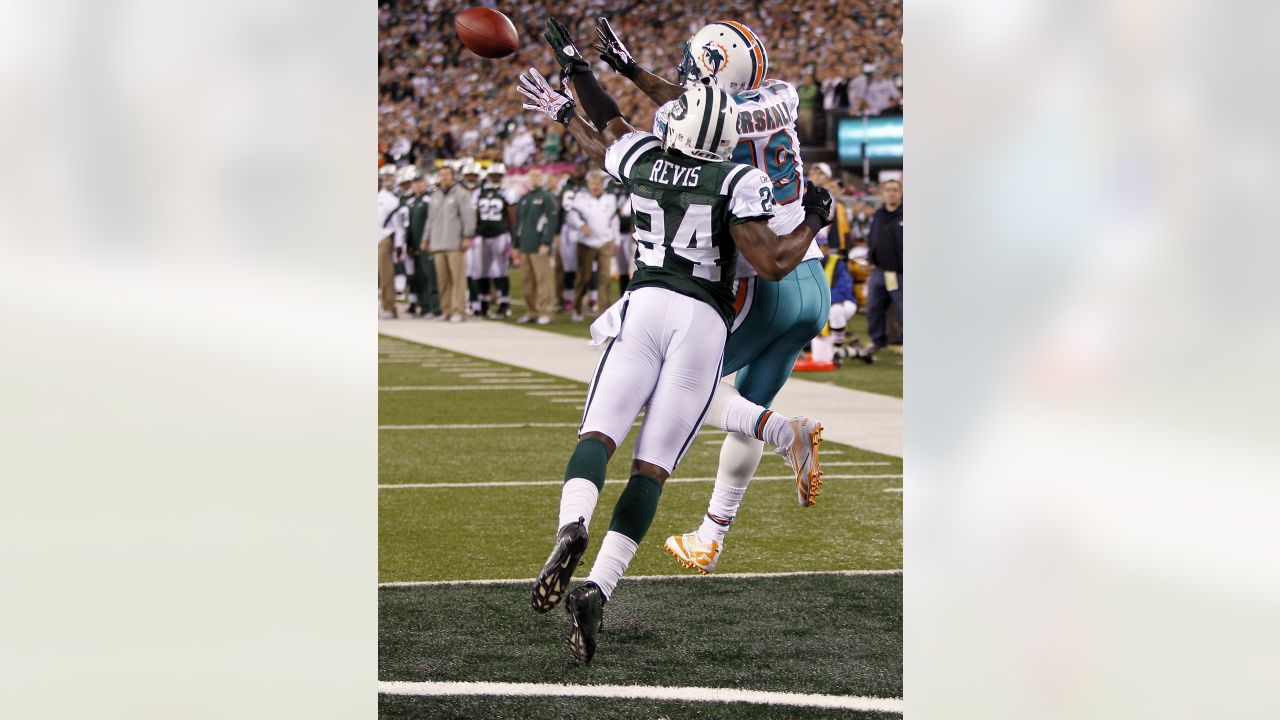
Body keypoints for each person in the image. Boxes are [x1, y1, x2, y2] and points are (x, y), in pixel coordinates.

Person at [517, 17, 832, 664]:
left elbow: (606, 130)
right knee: (653, 467)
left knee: (598, 436)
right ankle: (601, 589)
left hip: (648, 302)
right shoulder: (743, 166)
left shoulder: (644, 155)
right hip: (715, 315)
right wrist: (818, 220)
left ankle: (572, 523)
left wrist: (573, 76)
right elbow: (771, 259)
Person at [596, 18, 832, 574]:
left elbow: (684, 106)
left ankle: (785, 433)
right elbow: (698, 100)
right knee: (748, 406)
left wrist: (620, 77)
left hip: (761, 280)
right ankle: (710, 535)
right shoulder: (782, 96)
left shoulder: (701, 118)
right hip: (810, 276)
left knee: (671, 394)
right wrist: (633, 70)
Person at [566, 170, 620, 321]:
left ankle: (603, 311)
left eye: (597, 183)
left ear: (602, 185)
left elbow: (614, 221)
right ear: (588, 185)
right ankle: (577, 309)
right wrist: (581, 225)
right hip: (586, 243)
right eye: (592, 184)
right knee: (584, 277)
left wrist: (617, 241)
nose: (595, 186)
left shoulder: (610, 199)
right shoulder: (581, 198)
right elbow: (571, 216)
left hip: (605, 242)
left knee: (605, 278)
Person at [425, 165, 475, 322]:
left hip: (454, 243)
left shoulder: (461, 194)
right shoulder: (436, 195)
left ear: (453, 176)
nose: (444, 178)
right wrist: (426, 238)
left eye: (447, 175)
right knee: (442, 279)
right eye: (441, 175)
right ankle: (446, 310)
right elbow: (430, 219)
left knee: (457, 279)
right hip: (438, 242)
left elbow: (468, 216)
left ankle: (458, 310)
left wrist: (467, 236)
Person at [471, 163, 518, 318]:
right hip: (483, 235)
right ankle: (483, 303)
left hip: (500, 234)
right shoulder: (479, 192)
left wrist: (512, 236)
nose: (496, 178)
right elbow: (475, 213)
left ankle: (504, 304)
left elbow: (512, 215)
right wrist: (476, 229)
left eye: (498, 176)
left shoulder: (507, 192)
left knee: (500, 270)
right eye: (494, 176)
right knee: (481, 270)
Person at [512, 168, 559, 325]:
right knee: (527, 282)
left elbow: (551, 222)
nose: (534, 179)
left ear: (541, 179)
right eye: (532, 176)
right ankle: (531, 311)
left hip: (539, 246)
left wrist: (546, 242)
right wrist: (516, 244)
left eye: (537, 176)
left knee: (543, 280)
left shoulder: (546, 198)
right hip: (525, 246)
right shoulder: (524, 198)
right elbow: (518, 223)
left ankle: (546, 311)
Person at [865, 178, 903, 354]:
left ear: (901, 193)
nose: (891, 193)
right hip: (879, 271)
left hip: (901, 273)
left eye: (895, 190)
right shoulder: (878, 215)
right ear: (882, 193)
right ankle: (877, 341)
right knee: (874, 308)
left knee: (904, 310)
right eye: (888, 190)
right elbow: (872, 238)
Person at [377, 164, 401, 319]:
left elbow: (398, 225)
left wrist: (399, 243)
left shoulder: (391, 199)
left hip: (384, 238)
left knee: (385, 275)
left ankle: (389, 306)